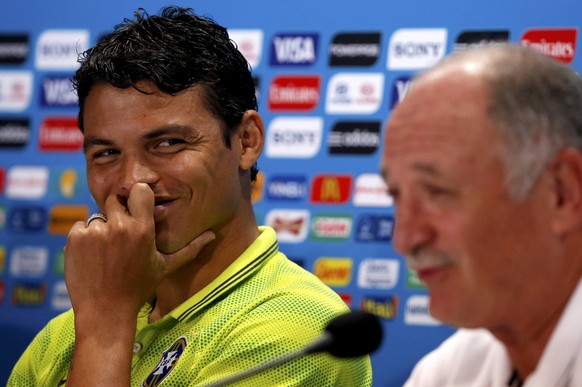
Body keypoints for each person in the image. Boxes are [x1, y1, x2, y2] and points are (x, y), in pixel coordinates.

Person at [8, 6, 372, 386]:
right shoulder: (66, 333)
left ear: (246, 141)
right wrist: (105, 319)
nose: (134, 180)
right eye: (107, 153)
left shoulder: (294, 332)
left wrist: (106, 326)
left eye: (168, 143)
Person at [381, 43, 582, 386]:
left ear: (562, 194)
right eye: (396, 195)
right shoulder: (449, 372)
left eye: (437, 192)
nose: (405, 239)